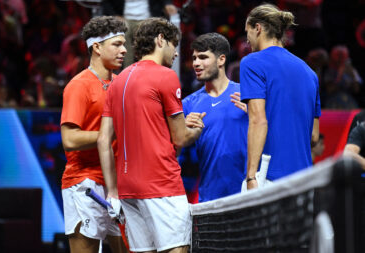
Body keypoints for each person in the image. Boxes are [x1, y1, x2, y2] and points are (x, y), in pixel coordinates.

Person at [97, 17, 205, 253]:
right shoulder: (165, 76)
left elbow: (103, 140)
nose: (176, 53)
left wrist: (112, 191)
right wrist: (196, 129)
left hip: (127, 191)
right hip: (161, 185)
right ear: (160, 40)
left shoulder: (117, 81)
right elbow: (180, 139)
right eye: (173, 44)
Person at [232, 4, 321, 190]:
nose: (247, 40)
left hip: (268, 177)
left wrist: (251, 176)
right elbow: (313, 136)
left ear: (258, 28)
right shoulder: (310, 73)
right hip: (305, 180)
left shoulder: (252, 62)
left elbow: (258, 121)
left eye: (247, 32)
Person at [60, 16, 128, 253]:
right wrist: (108, 134)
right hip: (84, 183)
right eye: (117, 44)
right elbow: (69, 139)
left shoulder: (122, 84)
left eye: (124, 44)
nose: (124, 50)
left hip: (119, 185)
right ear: (96, 47)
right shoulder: (79, 85)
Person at [178, 32, 248, 202]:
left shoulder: (248, 95)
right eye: (194, 58)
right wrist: (182, 131)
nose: (196, 63)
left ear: (221, 60)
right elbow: (174, 152)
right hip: (210, 198)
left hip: (249, 192)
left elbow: (273, 135)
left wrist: (256, 115)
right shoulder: (188, 104)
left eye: (203, 57)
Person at [102, 0, 178, 68]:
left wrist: (167, 4)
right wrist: (114, 15)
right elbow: (106, 3)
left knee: (148, 31)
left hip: (148, 18)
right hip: (125, 18)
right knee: (124, 31)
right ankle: (128, 71)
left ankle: (147, 69)